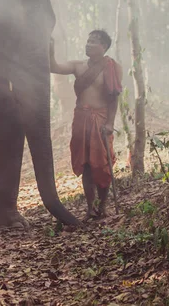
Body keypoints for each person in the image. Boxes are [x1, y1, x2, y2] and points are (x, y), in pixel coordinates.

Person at [49, 30, 123, 219]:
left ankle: (103, 206)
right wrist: (50, 49)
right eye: (88, 41)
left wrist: (110, 123)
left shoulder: (111, 67)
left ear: (104, 47)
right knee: (87, 165)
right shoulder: (78, 66)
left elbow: (113, 98)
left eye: (94, 42)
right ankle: (90, 208)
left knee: (103, 165)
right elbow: (54, 66)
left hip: (100, 120)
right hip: (81, 119)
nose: (88, 44)